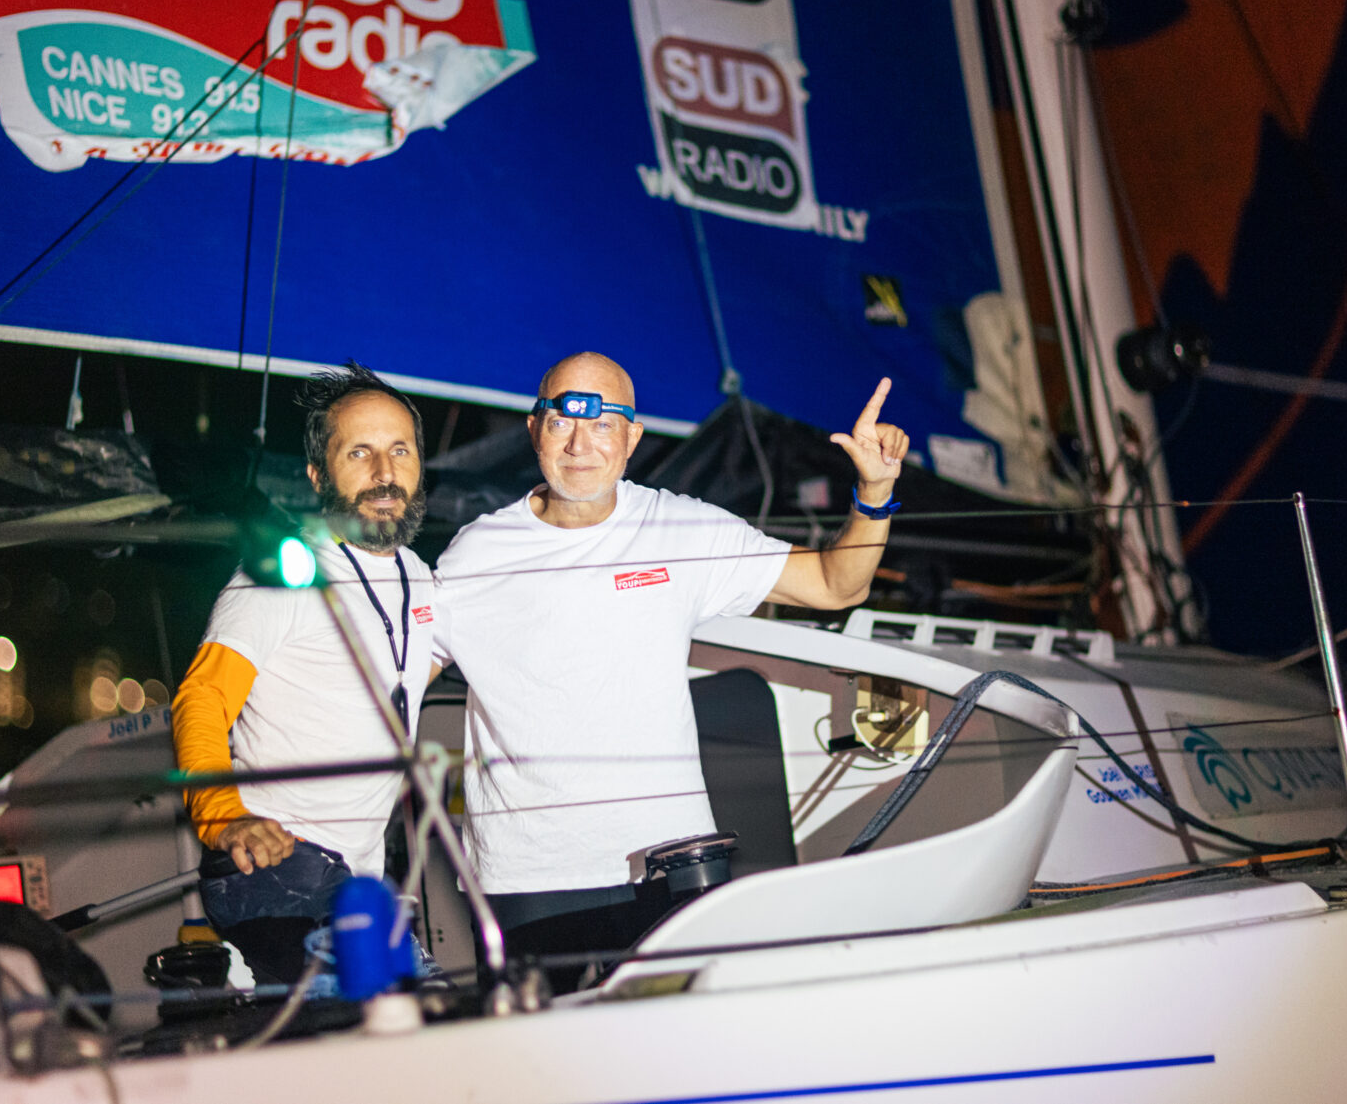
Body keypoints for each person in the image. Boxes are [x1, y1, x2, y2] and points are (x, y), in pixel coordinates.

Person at [432, 351, 907, 975]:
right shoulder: (476, 555)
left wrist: (875, 493)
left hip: (673, 865)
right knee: (549, 1064)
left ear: (632, 437)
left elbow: (835, 585)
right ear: (533, 428)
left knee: (681, 1054)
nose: (581, 443)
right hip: (526, 879)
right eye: (561, 420)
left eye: (603, 423)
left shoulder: (682, 529)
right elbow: (395, 674)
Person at [171, 363, 435, 984]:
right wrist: (222, 815)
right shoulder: (281, 574)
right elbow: (202, 697)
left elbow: (419, 665)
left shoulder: (419, 578)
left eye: (400, 450)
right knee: (397, 1025)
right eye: (359, 453)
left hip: (359, 875)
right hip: (277, 864)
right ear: (318, 474)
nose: (384, 473)